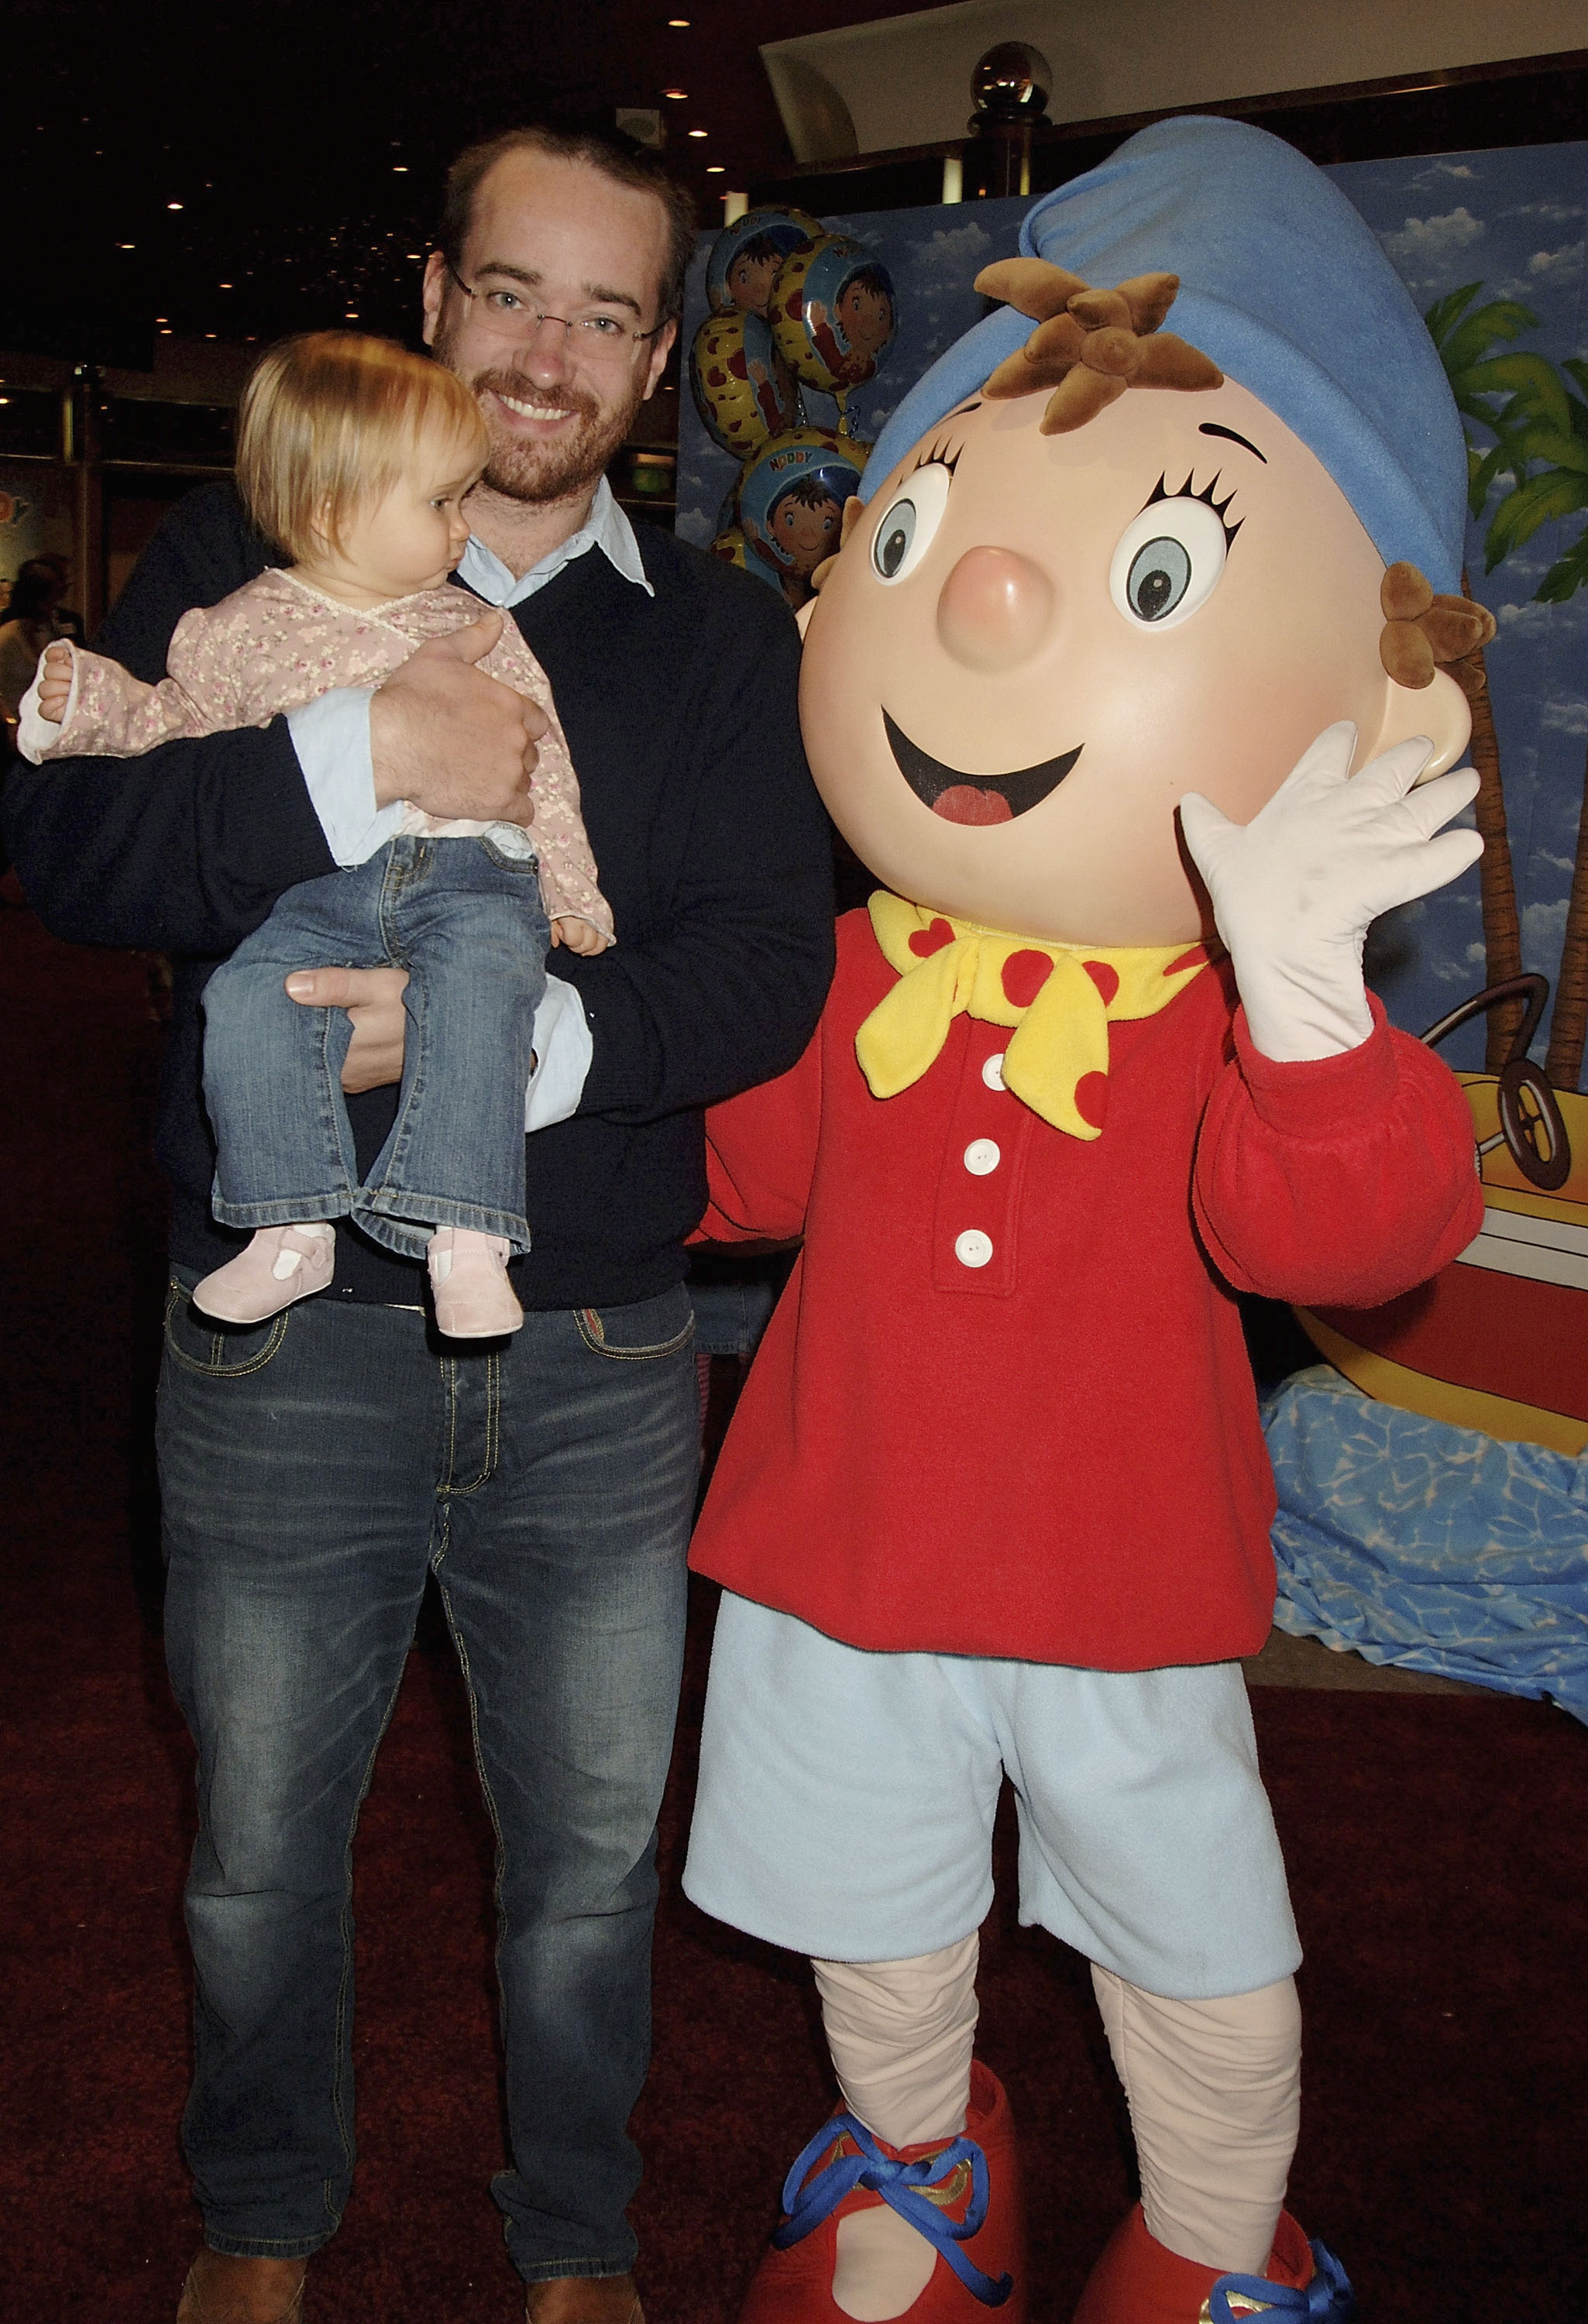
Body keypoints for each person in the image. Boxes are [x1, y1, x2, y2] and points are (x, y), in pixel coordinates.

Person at [5, 122, 834, 2324]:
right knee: (257, 1855)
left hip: (594, 1354)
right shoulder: (233, 550)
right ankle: (261, 2217)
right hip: (278, 1351)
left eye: (602, 312)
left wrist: (509, 1045)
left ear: (657, 359)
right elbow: (71, 853)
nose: (545, 352)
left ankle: (575, 2241)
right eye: (510, 293)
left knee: (582, 1870)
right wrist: (363, 751)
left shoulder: (720, 641)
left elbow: (769, 965)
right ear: (434, 293)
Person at [682, 116, 1490, 2324]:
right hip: (843, 1548)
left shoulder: (1252, 1012)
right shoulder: (852, 968)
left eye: (1155, 577)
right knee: (875, 1909)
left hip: (1122, 1575)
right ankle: (925, 2180)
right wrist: (585, 1034)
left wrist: (1311, 1002)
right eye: (922, 529)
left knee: (1196, 1943)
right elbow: (733, 1172)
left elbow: (1344, 1240)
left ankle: (1212, 2247)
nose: (977, 605)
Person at [22, 332, 613, 1339]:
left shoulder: (470, 624)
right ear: (331, 509)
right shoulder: (233, 626)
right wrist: (91, 707)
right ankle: (290, 1225)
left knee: (484, 995)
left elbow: (537, 758)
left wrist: (570, 889)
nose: (464, 527)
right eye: (439, 502)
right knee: (246, 1002)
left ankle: (465, 1233)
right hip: (314, 893)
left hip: (473, 871)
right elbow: (174, 726)